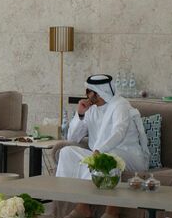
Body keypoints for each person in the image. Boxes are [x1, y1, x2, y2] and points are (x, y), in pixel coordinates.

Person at [57, 74, 150, 218]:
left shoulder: (120, 105)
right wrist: (80, 114)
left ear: (98, 92)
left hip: (129, 155)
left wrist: (100, 150)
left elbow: (119, 132)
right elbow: (73, 138)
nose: (87, 95)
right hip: (100, 152)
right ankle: (81, 206)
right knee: (67, 152)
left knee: (106, 158)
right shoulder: (91, 109)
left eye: (89, 91)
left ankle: (108, 211)